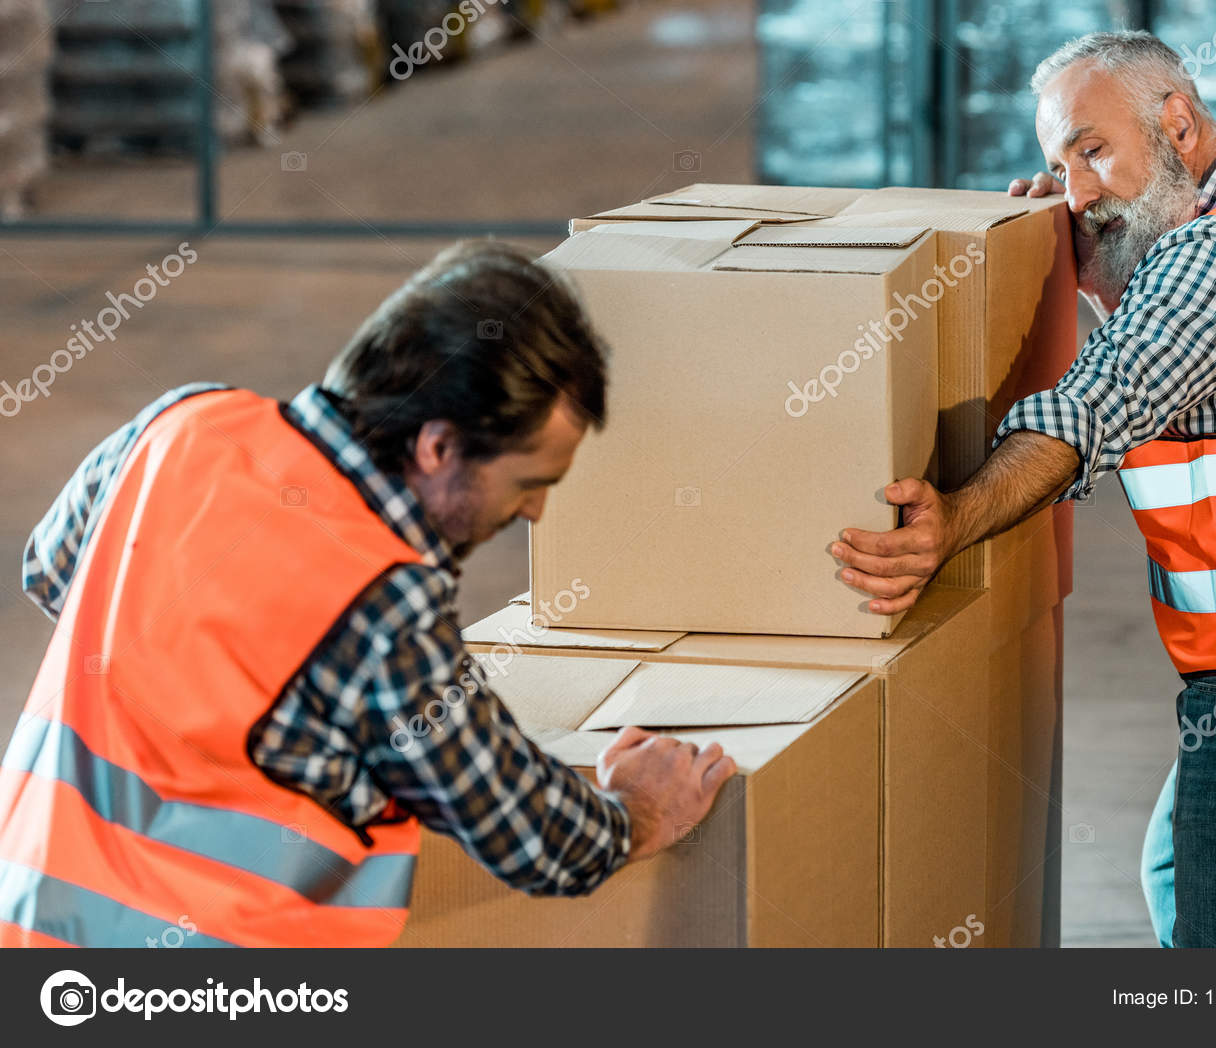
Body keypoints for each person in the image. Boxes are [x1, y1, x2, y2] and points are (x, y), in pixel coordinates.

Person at [834, 31, 1216, 948]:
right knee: (1178, 864)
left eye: (1093, 150)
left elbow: (1097, 403)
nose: (1076, 192)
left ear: (1179, 124)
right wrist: (1093, 273)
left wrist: (953, 520)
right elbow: (1182, 355)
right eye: (1059, 166)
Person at [0, 239, 734, 948]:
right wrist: (638, 810)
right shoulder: (385, 603)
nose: (535, 511)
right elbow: (532, 837)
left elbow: (51, 570)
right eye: (528, 483)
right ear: (438, 447)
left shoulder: (185, 424)